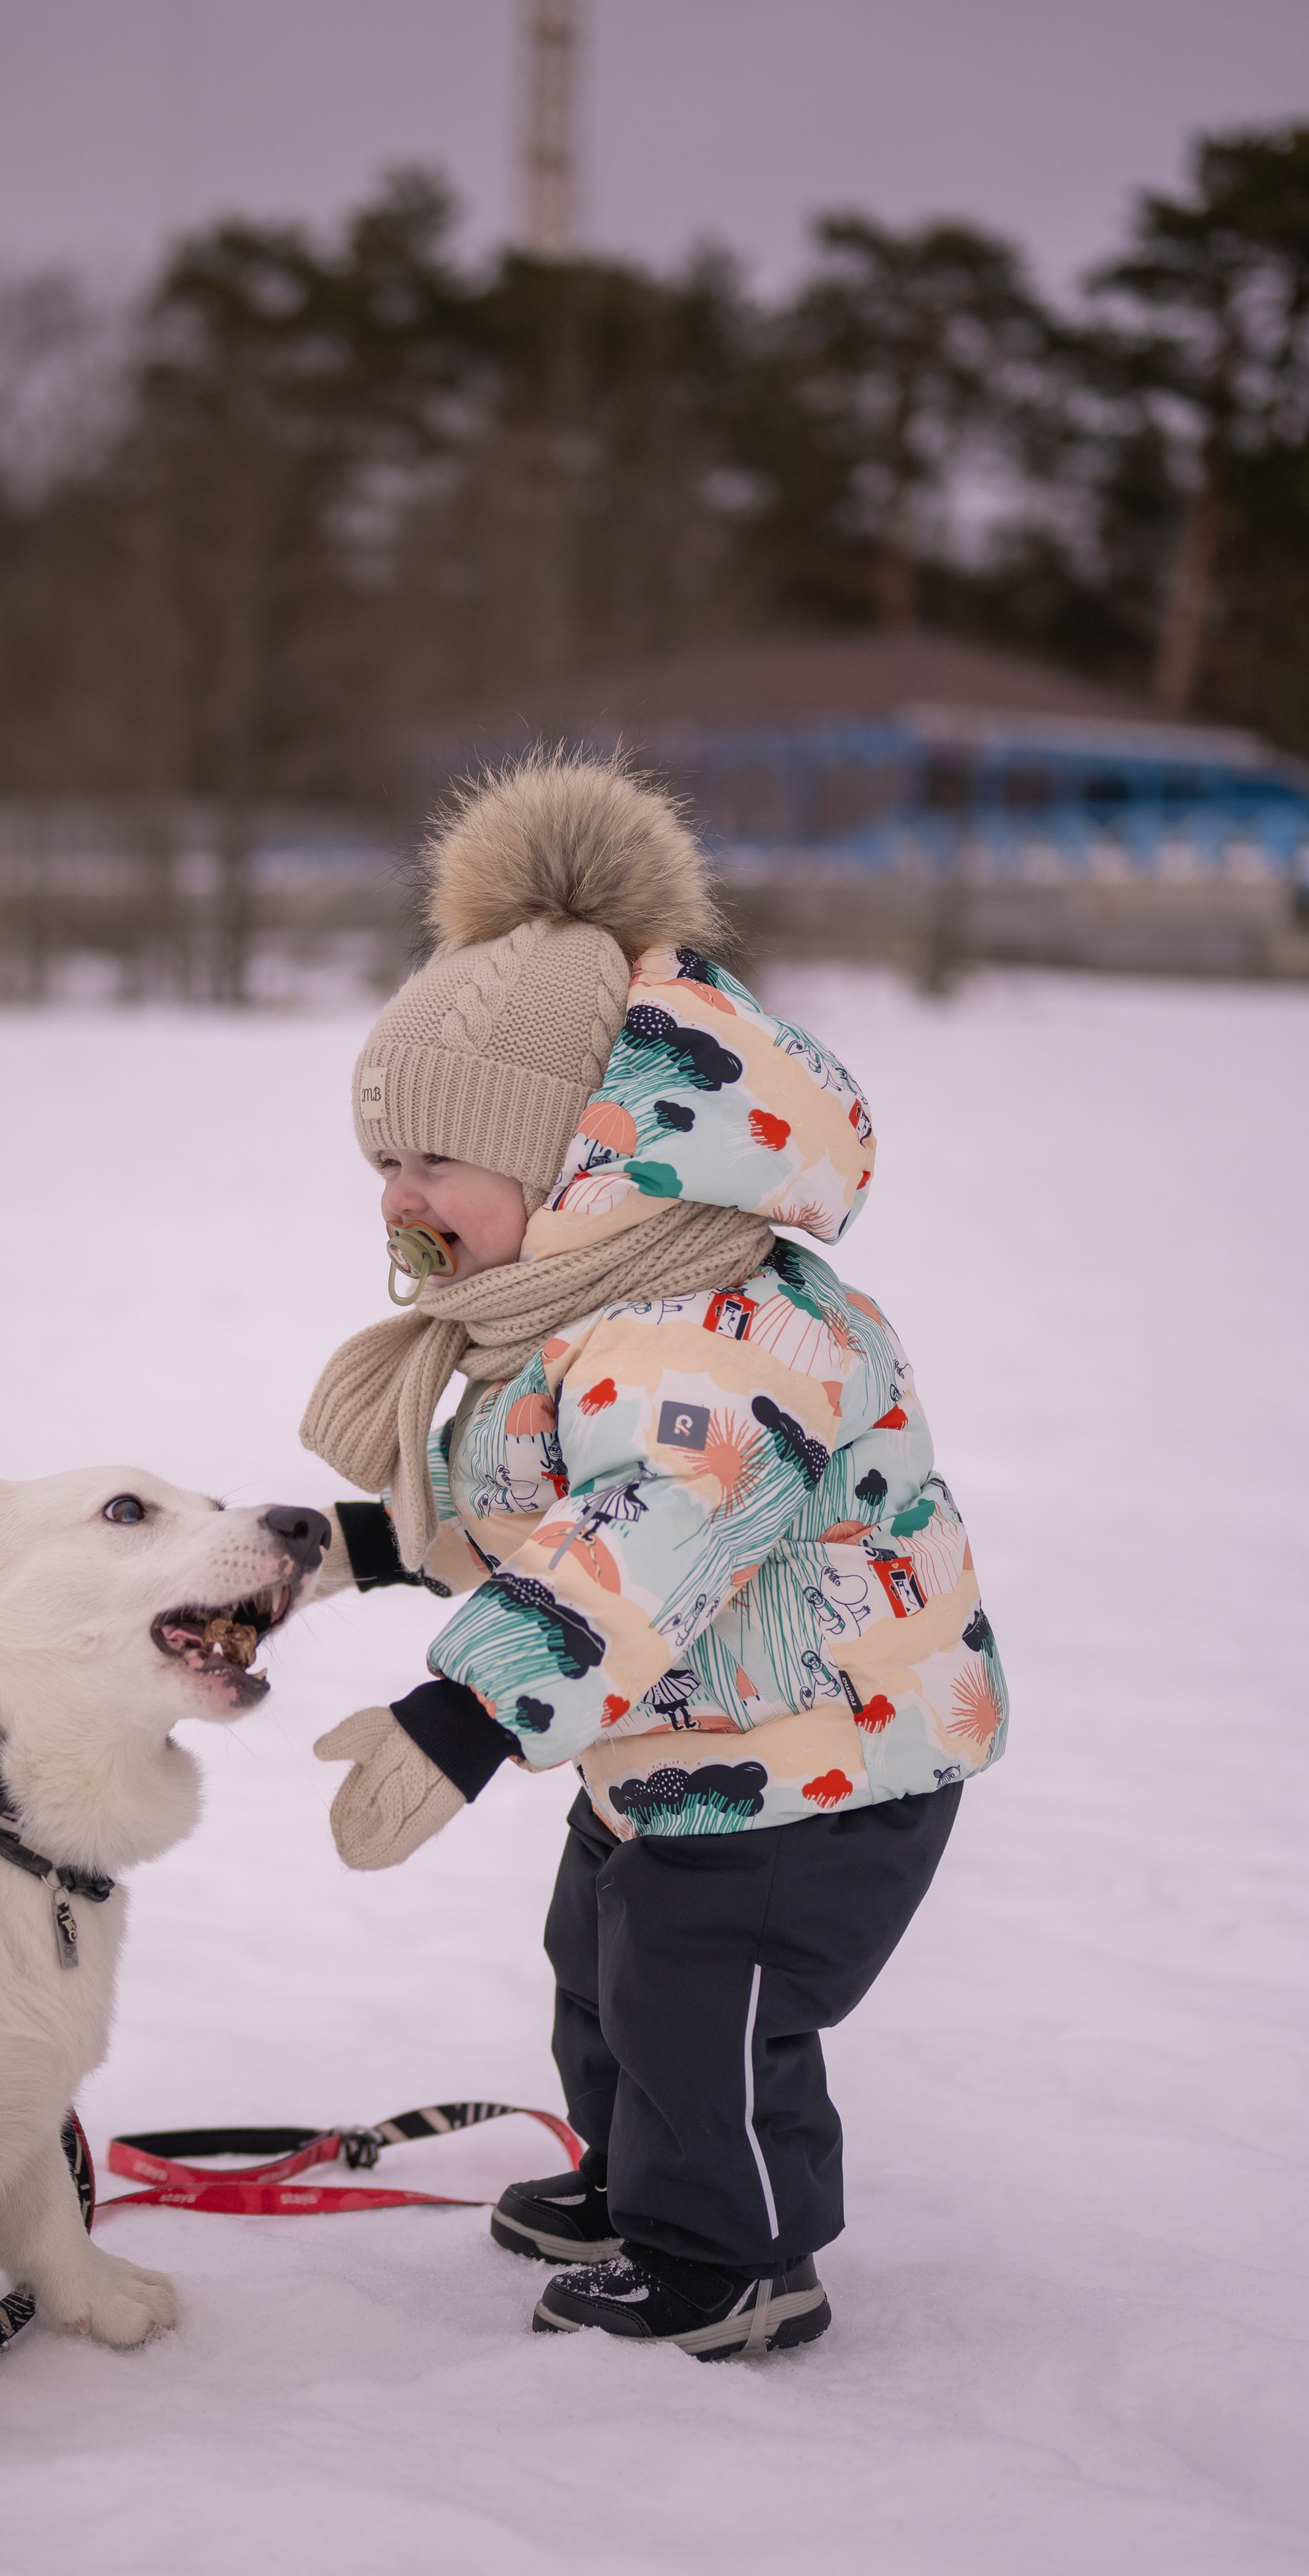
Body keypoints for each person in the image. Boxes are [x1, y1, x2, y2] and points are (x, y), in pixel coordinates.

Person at [302, 753, 1007, 2358]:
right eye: (382, 1165)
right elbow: (553, 1503)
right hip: (688, 1744)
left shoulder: (707, 1331)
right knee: (604, 1961)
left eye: (427, 1162)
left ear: (567, 1154)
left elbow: (636, 1543)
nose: (398, 1201)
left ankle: (735, 2258)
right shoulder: (586, 1307)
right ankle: (643, 2179)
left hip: (816, 1766)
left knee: (701, 1997)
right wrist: (363, 1541)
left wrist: (467, 1714)